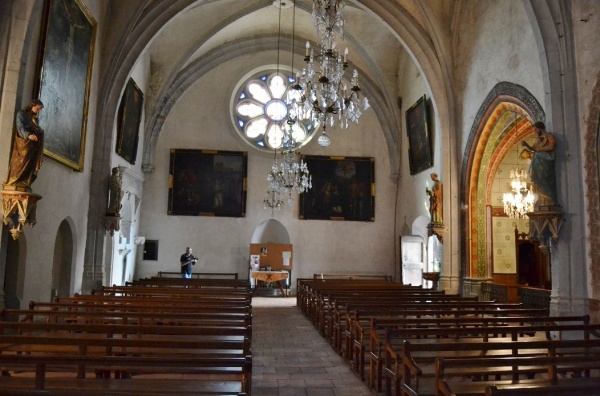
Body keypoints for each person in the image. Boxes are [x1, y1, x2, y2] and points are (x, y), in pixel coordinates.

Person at [5, 99, 45, 191]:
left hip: (33, 145)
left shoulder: (35, 119)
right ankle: (15, 180)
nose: (38, 111)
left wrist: (39, 131)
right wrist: (28, 135)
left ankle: (25, 181)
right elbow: (20, 127)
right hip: (23, 143)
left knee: (30, 163)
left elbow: (36, 128)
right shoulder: (21, 114)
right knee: (22, 161)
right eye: (38, 108)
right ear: (33, 105)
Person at [521, 121, 557, 206]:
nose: (535, 131)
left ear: (540, 128)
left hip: (545, 161)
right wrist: (526, 145)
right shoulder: (538, 139)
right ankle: (541, 201)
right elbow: (533, 149)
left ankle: (550, 201)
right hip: (537, 162)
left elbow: (551, 146)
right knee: (538, 181)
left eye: (536, 129)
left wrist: (540, 149)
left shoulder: (549, 136)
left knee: (545, 179)